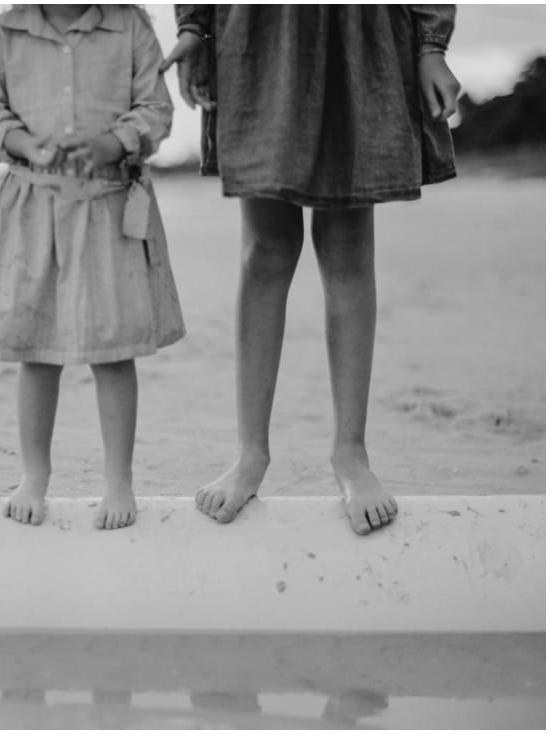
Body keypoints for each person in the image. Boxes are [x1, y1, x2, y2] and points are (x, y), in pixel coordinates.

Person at [161, 6, 461, 534]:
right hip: (259, 34)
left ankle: (351, 453)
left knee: (348, 250)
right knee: (267, 251)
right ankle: (250, 453)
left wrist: (431, 44)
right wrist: (195, 26)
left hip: (362, 32)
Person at [0, 5, 185, 530]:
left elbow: (156, 109)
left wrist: (110, 143)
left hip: (108, 203)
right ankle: (35, 474)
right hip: (32, 205)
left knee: (113, 349)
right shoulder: (7, 30)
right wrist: (26, 145)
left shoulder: (131, 26)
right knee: (36, 348)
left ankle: (118, 481)